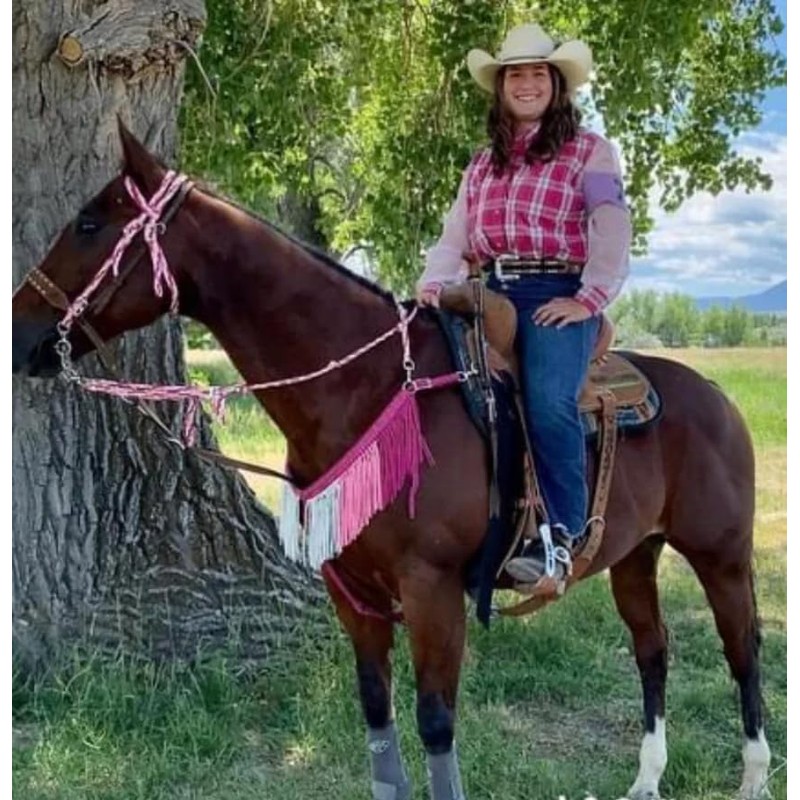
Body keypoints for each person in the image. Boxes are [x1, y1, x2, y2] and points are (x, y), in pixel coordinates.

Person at [416, 23, 632, 586]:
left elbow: (611, 226)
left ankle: (562, 537)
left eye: (539, 73)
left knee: (547, 400)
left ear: (557, 86)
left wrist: (588, 299)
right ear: (502, 86)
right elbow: (454, 238)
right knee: (430, 383)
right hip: (487, 292)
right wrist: (434, 283)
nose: (527, 83)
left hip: (555, 295)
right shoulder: (481, 164)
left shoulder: (591, 152)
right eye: (517, 74)